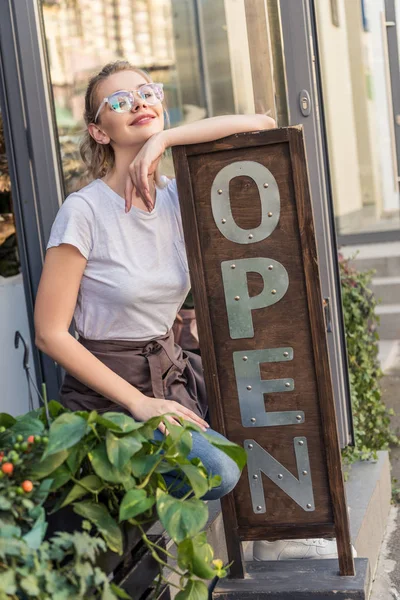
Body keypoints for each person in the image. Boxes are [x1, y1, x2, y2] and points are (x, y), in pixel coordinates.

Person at [34, 60, 276, 502]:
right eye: (120, 101)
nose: (140, 103)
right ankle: (116, 493)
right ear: (99, 131)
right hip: (108, 390)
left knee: (255, 436)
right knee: (219, 471)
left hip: (168, 372)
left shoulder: (173, 197)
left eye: (148, 92)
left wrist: (165, 139)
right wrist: (138, 403)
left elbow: (261, 125)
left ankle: (138, 501)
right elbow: (50, 334)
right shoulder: (84, 211)